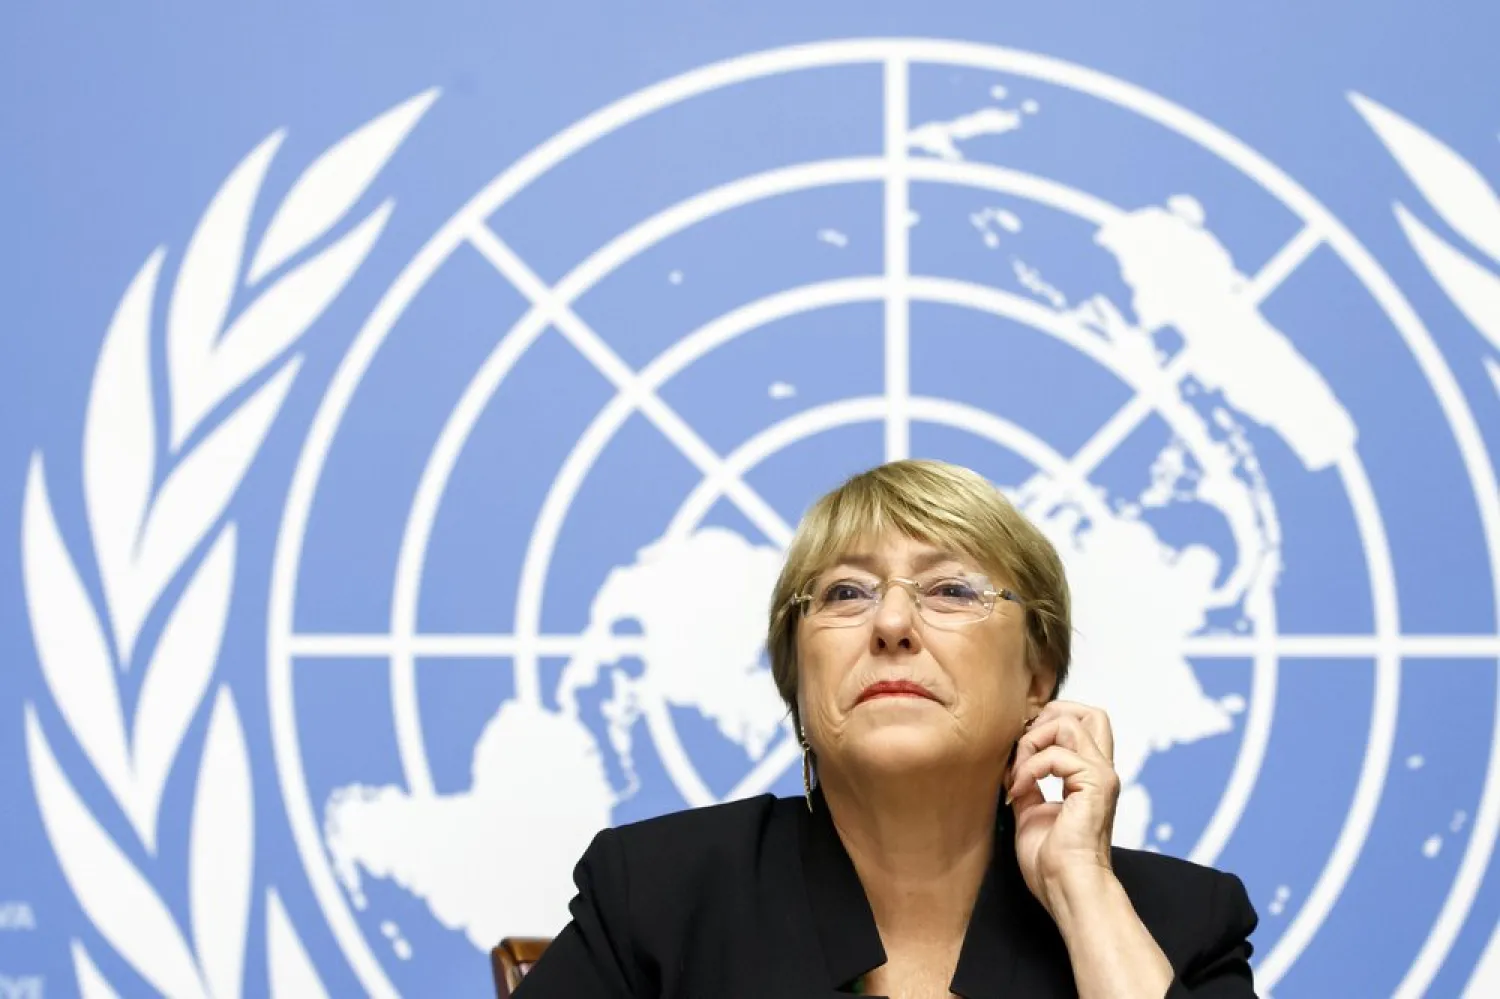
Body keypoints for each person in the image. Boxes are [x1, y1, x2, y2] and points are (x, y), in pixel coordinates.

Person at [514, 459, 1257, 998]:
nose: (893, 623)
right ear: (797, 674)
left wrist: (1084, 892)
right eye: (845, 592)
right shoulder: (658, 894)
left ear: (1038, 677)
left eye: (952, 589)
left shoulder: (1177, 921)